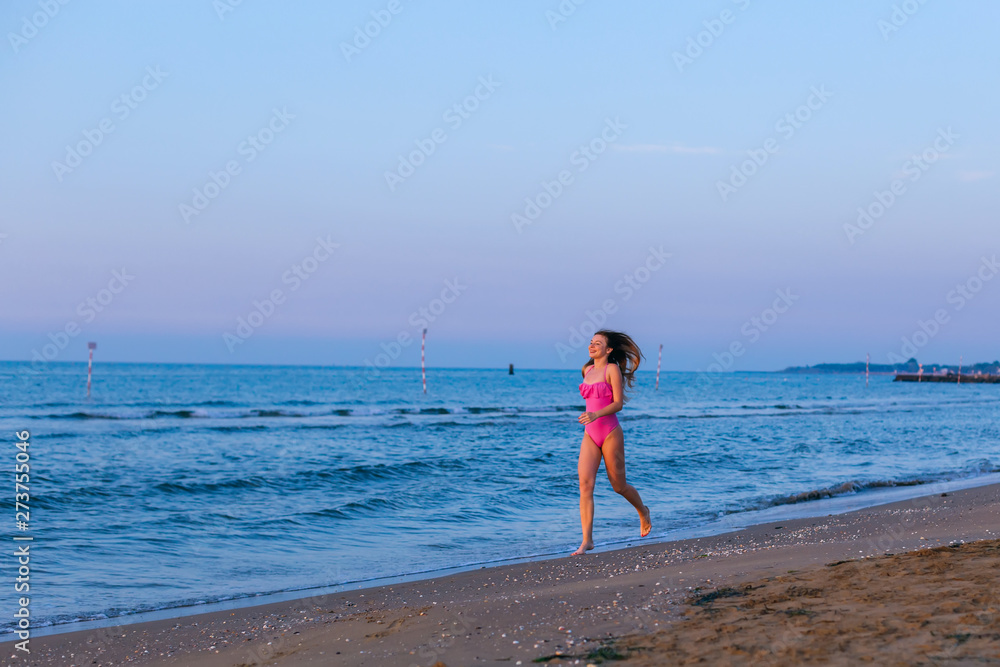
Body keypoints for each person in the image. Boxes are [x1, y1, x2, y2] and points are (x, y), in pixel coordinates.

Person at [573, 329, 651, 556]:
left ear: (608, 350)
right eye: (591, 342)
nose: (592, 346)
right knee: (585, 486)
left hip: (610, 432)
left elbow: (618, 404)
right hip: (590, 434)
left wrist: (596, 415)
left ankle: (643, 511)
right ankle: (587, 540)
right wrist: (591, 417)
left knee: (619, 486)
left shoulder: (612, 369)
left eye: (598, 343)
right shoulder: (586, 370)